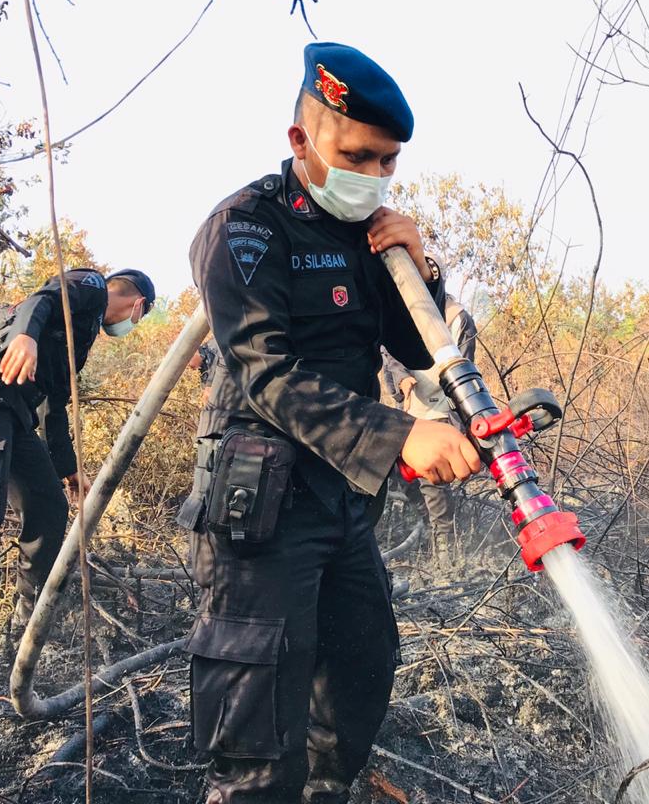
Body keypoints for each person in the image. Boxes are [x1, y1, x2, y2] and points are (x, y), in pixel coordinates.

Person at [182, 42, 482, 803]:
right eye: (358, 156)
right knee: (258, 740)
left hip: (343, 504)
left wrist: (424, 266)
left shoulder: (367, 236)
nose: (375, 176)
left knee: (360, 667)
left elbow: (415, 347)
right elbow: (265, 372)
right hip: (263, 504)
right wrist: (399, 434)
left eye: (387, 162)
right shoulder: (246, 229)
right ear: (301, 142)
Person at [0, 268, 155, 629]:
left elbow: (53, 405)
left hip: (16, 416)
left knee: (50, 507)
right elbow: (43, 298)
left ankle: (25, 623)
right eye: (139, 317)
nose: (131, 324)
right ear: (138, 305)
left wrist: (69, 468)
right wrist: (24, 336)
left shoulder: (84, 329)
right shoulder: (91, 287)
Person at [380, 294, 477, 561]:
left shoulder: (458, 318)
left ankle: (445, 552)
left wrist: (459, 425)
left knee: (434, 485)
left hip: (444, 410)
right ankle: (426, 527)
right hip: (412, 412)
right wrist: (402, 379)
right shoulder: (400, 311)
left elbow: (465, 372)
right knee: (405, 479)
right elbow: (387, 352)